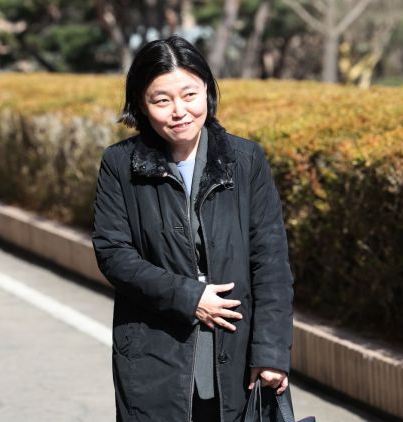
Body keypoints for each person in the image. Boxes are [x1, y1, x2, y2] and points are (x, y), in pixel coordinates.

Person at [92, 35, 294, 422]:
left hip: (236, 356)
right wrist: (190, 297)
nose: (179, 111)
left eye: (190, 95)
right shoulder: (120, 164)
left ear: (207, 91)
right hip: (155, 355)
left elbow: (270, 261)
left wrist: (271, 353)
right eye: (162, 100)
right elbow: (114, 254)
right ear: (141, 104)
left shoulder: (245, 159)